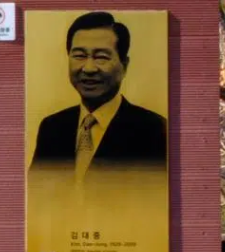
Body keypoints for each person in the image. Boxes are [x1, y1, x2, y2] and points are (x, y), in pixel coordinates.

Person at [31, 12, 167, 171]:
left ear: (124, 65)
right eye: (79, 55)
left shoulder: (154, 130)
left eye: (101, 57)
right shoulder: (51, 127)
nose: (88, 68)